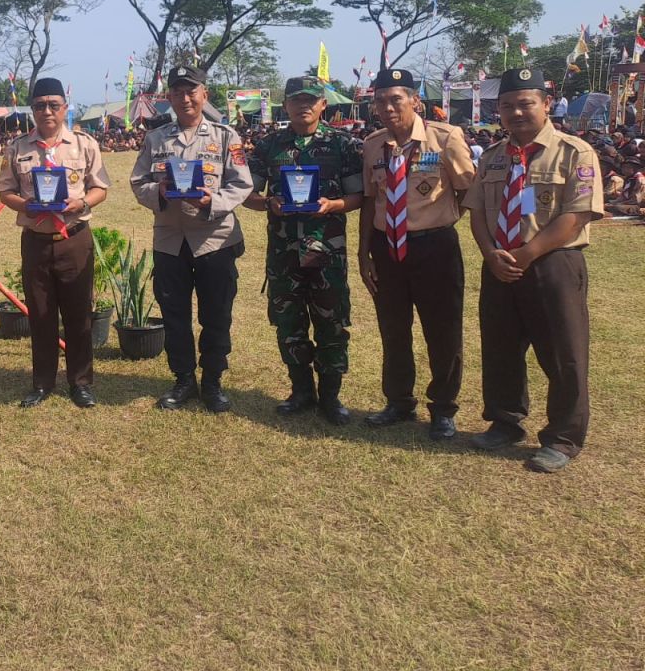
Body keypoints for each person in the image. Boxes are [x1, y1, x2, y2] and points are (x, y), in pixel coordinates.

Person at [463, 67, 603, 473]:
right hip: (499, 263)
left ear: (546, 103)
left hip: (552, 263)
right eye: (507, 106)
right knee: (500, 347)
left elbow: (576, 215)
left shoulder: (575, 152)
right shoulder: (493, 156)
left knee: (563, 354)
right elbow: (477, 212)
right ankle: (505, 421)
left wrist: (527, 254)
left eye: (525, 103)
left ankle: (563, 437)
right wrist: (490, 253)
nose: (516, 113)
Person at [357, 69, 476, 440]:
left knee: (442, 331)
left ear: (415, 101)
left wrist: (441, 218)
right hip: (386, 247)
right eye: (380, 101)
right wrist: (364, 252)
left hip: (434, 247)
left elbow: (468, 190)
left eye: (396, 99)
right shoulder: (373, 145)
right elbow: (370, 200)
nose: (388, 108)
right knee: (393, 329)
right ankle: (398, 401)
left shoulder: (445, 138)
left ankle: (443, 407)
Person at [129, 66, 252, 412]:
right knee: (174, 315)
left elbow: (242, 183)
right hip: (170, 241)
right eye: (178, 92)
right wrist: (159, 192)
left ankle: (212, 381)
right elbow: (138, 182)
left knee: (217, 315)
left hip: (215, 239)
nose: (185, 98)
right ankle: (183, 379)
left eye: (191, 91)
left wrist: (212, 201)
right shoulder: (156, 139)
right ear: (169, 97)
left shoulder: (226, 136)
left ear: (204, 95)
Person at [247, 76, 363, 424]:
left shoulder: (343, 144)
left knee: (332, 322)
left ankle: (330, 397)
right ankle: (300, 391)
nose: (303, 106)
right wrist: (269, 203)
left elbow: (358, 196)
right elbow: (247, 194)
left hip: (327, 251)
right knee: (288, 322)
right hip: (284, 253)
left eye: (311, 100)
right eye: (296, 100)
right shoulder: (268, 146)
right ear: (285, 105)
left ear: (323, 104)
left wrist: (333, 205)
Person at [0, 78, 110, 408]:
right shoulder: (17, 148)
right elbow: (5, 191)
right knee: (41, 314)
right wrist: (26, 205)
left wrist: (82, 203)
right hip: (36, 240)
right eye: (39, 105)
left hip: (74, 238)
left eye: (53, 105)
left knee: (79, 314)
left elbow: (100, 187)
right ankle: (42, 383)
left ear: (65, 107)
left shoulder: (84, 144)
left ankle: (81, 383)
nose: (46, 111)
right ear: (32, 110)